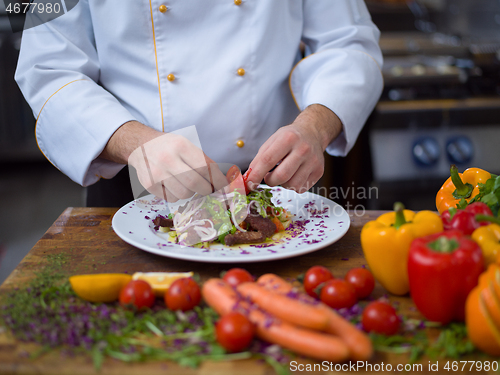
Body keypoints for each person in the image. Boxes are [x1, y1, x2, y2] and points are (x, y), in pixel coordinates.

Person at [15, 0, 383, 207]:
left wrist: (315, 127)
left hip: (276, 187)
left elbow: (348, 42)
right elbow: (48, 68)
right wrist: (137, 144)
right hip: (133, 191)